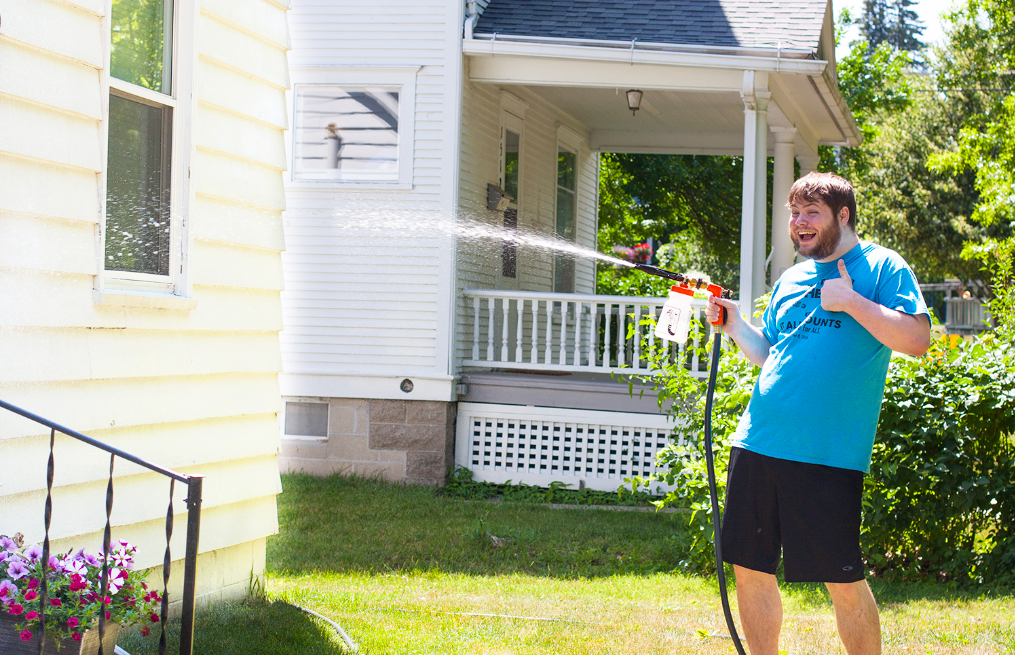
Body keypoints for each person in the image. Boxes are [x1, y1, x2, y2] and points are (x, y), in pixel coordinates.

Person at [705, 172, 931, 655]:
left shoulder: (882, 267)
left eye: (811, 213)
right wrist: (734, 325)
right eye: (794, 213)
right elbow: (771, 353)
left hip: (828, 453)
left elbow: (917, 340)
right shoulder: (793, 278)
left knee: (841, 577)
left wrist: (850, 301)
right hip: (759, 439)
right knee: (750, 566)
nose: (799, 223)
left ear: (842, 215)